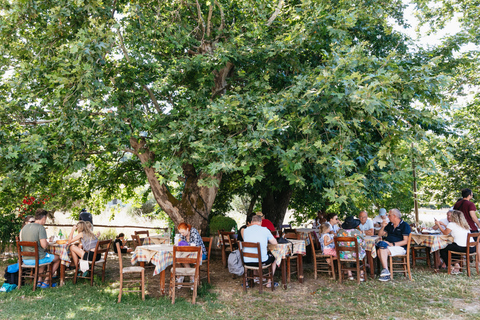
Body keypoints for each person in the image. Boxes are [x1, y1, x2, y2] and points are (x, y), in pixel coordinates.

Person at [19, 209, 60, 288]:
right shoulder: (40, 228)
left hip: (25, 260)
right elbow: (44, 245)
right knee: (57, 259)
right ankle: (46, 281)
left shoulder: (24, 228)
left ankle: (39, 281)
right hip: (37, 260)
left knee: (43, 255)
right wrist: (47, 242)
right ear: (44, 218)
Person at [243, 215, 278, 288]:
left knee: (255, 255)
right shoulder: (265, 230)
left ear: (252, 222)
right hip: (261, 262)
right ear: (261, 222)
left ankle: (246, 283)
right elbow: (275, 243)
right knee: (276, 256)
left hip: (246, 261)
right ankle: (269, 282)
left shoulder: (245, 230)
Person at [377, 208, 412, 282]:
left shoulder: (404, 225)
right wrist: (383, 226)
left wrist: (392, 244)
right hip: (389, 246)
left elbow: (406, 241)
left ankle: (386, 272)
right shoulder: (390, 225)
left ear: (394, 216)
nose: (388, 217)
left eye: (389, 215)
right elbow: (380, 235)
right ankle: (386, 271)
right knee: (379, 249)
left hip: (400, 247)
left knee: (381, 249)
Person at [437, 210, 475, 274]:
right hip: (472, 248)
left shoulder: (452, 224)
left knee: (443, 249)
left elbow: (445, 233)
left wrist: (438, 224)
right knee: (453, 246)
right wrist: (443, 224)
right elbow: (451, 229)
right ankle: (456, 265)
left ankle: (450, 266)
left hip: (463, 248)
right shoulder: (464, 225)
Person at [337, 216, 366, 281]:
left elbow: (338, 244)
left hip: (343, 255)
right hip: (356, 255)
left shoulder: (340, 232)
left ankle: (349, 274)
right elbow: (363, 245)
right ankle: (361, 274)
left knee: (346, 252)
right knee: (363, 252)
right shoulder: (357, 232)